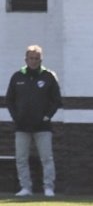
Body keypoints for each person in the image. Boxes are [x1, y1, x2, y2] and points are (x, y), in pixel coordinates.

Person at [5, 45, 62, 197]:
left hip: (43, 126)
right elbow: (9, 100)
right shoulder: (17, 76)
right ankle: (25, 188)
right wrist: (16, 117)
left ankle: (48, 188)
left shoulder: (48, 76)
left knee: (47, 158)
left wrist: (47, 116)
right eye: (31, 58)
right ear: (26, 59)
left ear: (40, 60)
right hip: (21, 126)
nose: (34, 61)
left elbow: (56, 100)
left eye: (37, 58)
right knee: (21, 158)